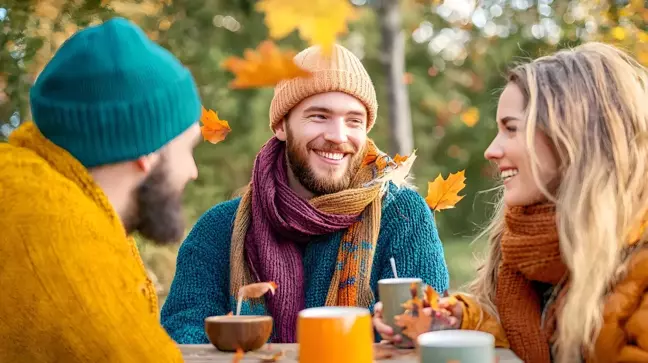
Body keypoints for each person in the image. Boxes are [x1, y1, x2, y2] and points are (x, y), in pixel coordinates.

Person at [373, 42, 648, 362]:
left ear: (573, 136)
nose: (491, 150)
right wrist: (454, 322)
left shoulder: (637, 261)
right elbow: (520, 334)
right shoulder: (521, 248)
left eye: (511, 129)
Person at [160, 43, 450, 344]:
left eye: (354, 121)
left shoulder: (402, 214)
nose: (338, 136)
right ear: (282, 125)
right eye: (319, 116)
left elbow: (433, 334)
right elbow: (183, 336)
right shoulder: (219, 230)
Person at [0, 17, 207, 362]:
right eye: (187, 149)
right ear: (147, 152)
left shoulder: (31, 188)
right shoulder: (64, 246)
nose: (192, 171)